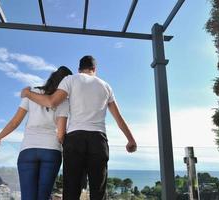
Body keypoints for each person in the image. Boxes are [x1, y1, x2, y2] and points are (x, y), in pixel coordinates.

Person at [21, 55, 137, 200]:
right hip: (98, 140)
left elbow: (51, 102)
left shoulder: (70, 80)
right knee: (98, 191)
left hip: (75, 139)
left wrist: (27, 93)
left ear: (79, 69)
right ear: (94, 69)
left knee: (71, 190)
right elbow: (119, 118)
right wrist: (131, 140)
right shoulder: (106, 86)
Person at [0, 66, 73, 200]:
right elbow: (60, 133)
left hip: (28, 150)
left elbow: (15, 122)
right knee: (43, 196)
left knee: (28, 197)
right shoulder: (64, 101)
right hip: (51, 150)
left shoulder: (32, 92)